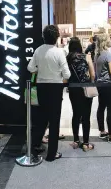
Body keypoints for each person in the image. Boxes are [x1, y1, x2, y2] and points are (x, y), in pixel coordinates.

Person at [28, 25, 71, 162]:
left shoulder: (38, 50)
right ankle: (51, 154)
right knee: (54, 121)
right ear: (57, 37)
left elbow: (30, 67)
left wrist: (39, 71)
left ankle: (34, 149)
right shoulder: (59, 52)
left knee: (40, 120)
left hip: (41, 87)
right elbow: (67, 74)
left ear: (43, 36)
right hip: (55, 89)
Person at [67, 37, 95, 151]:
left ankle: (76, 141)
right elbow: (92, 74)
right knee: (86, 115)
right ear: (79, 46)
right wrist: (90, 83)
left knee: (76, 114)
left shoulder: (67, 58)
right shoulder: (87, 57)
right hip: (86, 88)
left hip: (73, 89)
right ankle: (86, 143)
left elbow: (65, 75)